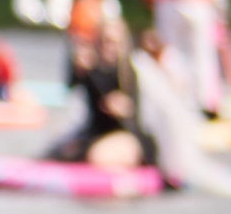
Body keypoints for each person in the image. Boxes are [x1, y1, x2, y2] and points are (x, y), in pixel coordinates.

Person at [48, 10, 154, 170]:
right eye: (104, 41)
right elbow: (70, 86)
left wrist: (126, 107)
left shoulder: (132, 70)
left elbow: (139, 109)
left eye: (113, 42)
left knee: (99, 156)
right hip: (95, 133)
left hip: (126, 134)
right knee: (59, 152)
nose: (108, 47)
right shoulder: (92, 69)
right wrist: (77, 67)